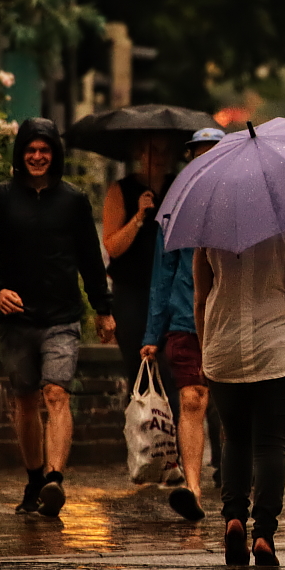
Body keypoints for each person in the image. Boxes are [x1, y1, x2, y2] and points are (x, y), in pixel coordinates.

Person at [0, 118, 115, 519]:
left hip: (62, 316)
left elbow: (89, 258)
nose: (37, 156)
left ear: (55, 155)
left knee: (56, 393)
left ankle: (55, 479)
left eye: (44, 150)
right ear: (20, 154)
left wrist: (103, 308)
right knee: (25, 400)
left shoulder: (73, 201)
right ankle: (34, 481)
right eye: (30, 150)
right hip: (16, 319)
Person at [195, 226, 285, 565]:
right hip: (278, 351)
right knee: (270, 445)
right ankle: (264, 534)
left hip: (223, 349)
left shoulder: (208, 231)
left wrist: (204, 351)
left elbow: (200, 300)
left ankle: (234, 518)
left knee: (234, 439)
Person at [140, 128, 224, 521]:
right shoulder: (173, 209)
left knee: (229, 406)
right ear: (190, 159)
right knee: (192, 399)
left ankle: (235, 481)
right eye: (198, 155)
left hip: (230, 321)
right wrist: (151, 334)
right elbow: (161, 274)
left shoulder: (241, 206)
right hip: (185, 318)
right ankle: (192, 488)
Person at [103, 130, 177, 388]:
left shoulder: (178, 187)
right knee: (140, 371)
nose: (160, 157)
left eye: (166, 150)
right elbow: (113, 246)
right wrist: (138, 217)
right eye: (153, 149)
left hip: (171, 292)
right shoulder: (122, 190)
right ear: (139, 153)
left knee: (171, 371)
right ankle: (142, 426)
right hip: (132, 293)